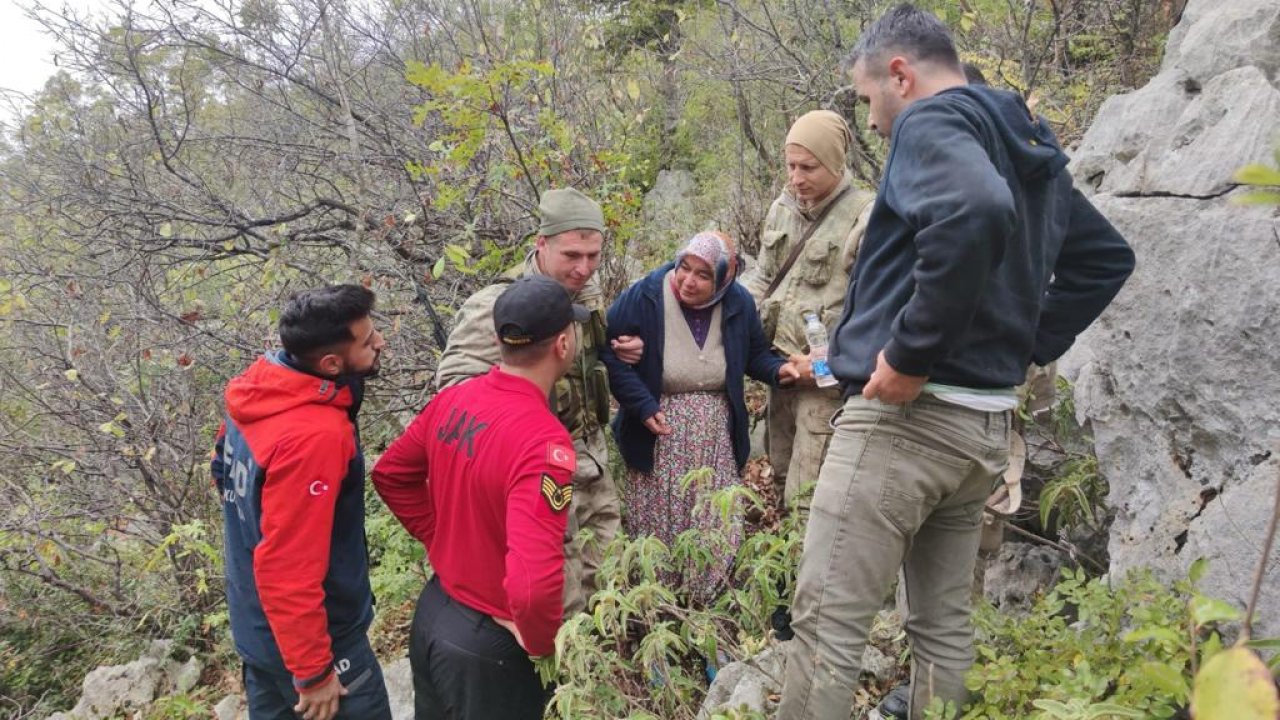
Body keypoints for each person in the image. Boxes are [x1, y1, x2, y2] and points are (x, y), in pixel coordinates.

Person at [777, 6, 1135, 720]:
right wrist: (1022, 346)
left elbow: (973, 209)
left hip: (905, 424)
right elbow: (1103, 261)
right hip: (983, 431)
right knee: (941, 627)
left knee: (827, 625)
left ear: (902, 76)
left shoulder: (932, 124)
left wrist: (912, 356)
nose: (874, 123)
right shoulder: (1025, 146)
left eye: (871, 99)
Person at [373, 276, 583, 720]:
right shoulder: (544, 444)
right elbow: (532, 585)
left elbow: (391, 474)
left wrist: (439, 539)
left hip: (434, 613)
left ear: (498, 339)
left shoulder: (455, 400)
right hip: (490, 647)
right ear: (563, 344)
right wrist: (541, 643)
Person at [434, 187, 638, 615]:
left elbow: (583, 355)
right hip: (539, 471)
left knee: (608, 571)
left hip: (592, 455)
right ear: (541, 245)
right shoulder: (496, 306)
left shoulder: (585, 289)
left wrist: (618, 350)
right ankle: (563, 672)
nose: (583, 268)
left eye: (593, 255)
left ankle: (606, 656)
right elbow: (454, 394)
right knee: (560, 590)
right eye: (571, 255)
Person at [212, 284, 392, 720]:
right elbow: (287, 568)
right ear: (331, 364)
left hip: (259, 633)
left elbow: (222, 469)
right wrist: (314, 673)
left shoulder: (261, 388)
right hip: (321, 645)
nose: (380, 342)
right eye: (368, 341)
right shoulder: (314, 437)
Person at [601, 231, 799, 602]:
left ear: (724, 277)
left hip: (716, 433)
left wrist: (778, 372)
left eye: (703, 275)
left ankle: (706, 609)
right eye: (684, 268)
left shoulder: (738, 302)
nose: (688, 281)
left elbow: (754, 354)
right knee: (660, 520)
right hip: (659, 430)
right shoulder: (645, 295)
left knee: (715, 519)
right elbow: (609, 354)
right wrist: (643, 406)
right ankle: (660, 607)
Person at [744, 110, 876, 512]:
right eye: (790, 166)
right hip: (780, 372)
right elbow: (763, 278)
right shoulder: (783, 208)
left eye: (808, 167)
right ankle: (787, 571)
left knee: (810, 494)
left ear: (836, 162)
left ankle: (810, 574)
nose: (796, 178)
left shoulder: (865, 217)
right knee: (782, 473)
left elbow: (871, 314)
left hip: (825, 381)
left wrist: (819, 366)